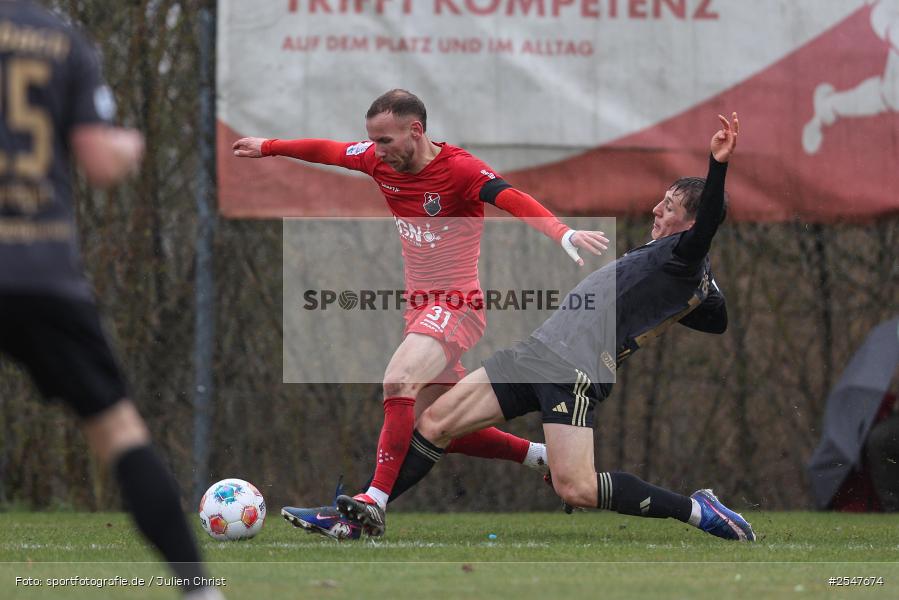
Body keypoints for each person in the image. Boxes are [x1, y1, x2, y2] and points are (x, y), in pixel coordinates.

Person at [335, 112, 756, 542]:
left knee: (576, 488)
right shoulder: (677, 262)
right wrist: (702, 291)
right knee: (436, 421)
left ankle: (697, 511)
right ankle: (370, 508)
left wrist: (717, 166)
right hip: (538, 350)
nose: (655, 209)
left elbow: (705, 251)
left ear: (693, 223)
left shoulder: (685, 257)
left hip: (572, 369)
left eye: (668, 207)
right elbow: (716, 319)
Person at [232, 89, 609, 538]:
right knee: (438, 424)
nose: (377, 150)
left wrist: (560, 231)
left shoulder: (460, 170)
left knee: (397, 380)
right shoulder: (376, 160)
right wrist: (269, 146)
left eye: (386, 140)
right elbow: (329, 151)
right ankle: (539, 456)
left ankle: (373, 501)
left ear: (416, 130)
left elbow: (510, 196)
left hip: (456, 306)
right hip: (420, 310)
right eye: (372, 141)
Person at [0, 2, 220, 598]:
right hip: (40, 267)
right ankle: (199, 589)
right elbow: (100, 161)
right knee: (118, 430)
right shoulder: (59, 38)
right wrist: (130, 145)